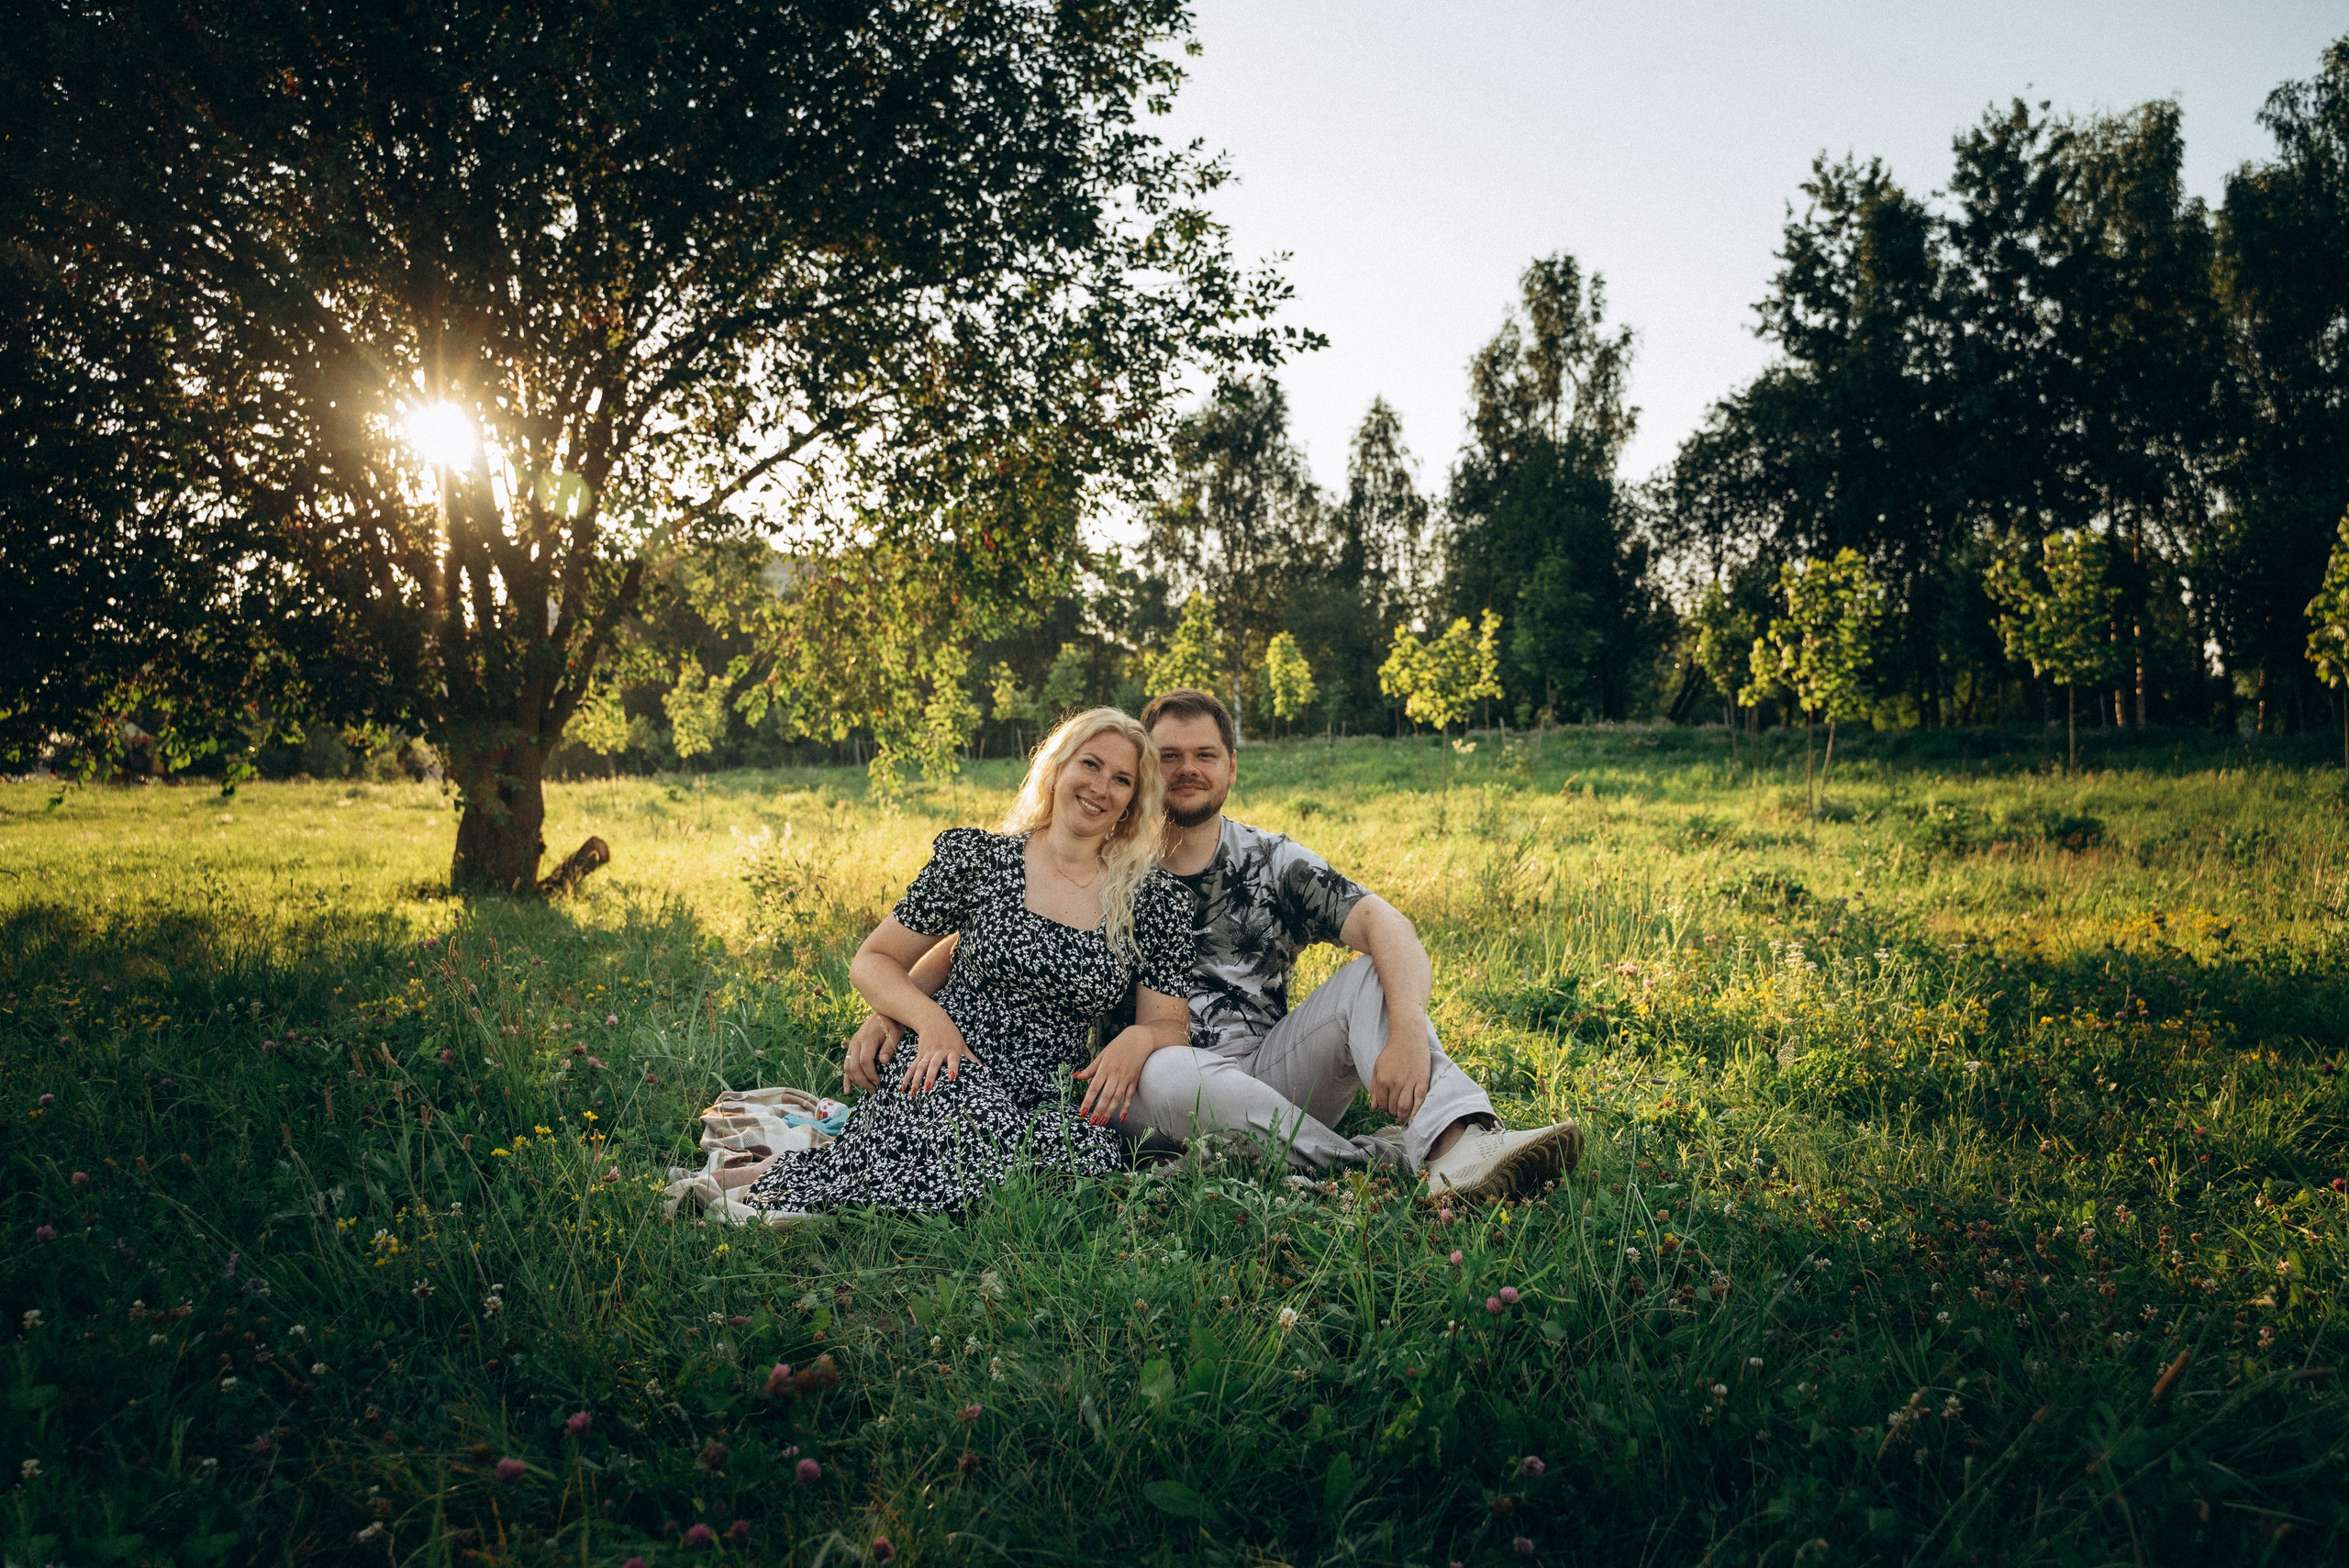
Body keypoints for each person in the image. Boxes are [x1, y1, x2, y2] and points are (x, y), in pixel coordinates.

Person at [846, 688, 1581, 1200]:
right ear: (1145, 781)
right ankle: (1373, 1167)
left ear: (1230, 767)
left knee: (1369, 978)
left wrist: (1410, 1030)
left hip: (1270, 1071)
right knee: (1168, 1067)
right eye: (1167, 757)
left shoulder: (1271, 860)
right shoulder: (1101, 864)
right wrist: (895, 1012)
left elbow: (1389, 927)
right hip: (1148, 1082)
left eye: (1206, 754)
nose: (1187, 769)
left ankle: (1464, 1140)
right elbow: (981, 944)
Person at [731, 707, 1197, 1222]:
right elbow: (874, 959)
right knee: (981, 1140)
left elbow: (1169, 1022)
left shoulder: (1150, 901)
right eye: (1089, 764)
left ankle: (987, 1181)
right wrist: (926, 1021)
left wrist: (1138, 1038)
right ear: (1058, 767)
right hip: (949, 1062)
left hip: (1047, 1086)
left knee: (1069, 1158)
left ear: (1132, 802)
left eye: (1121, 780)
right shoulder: (980, 859)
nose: (1100, 787)